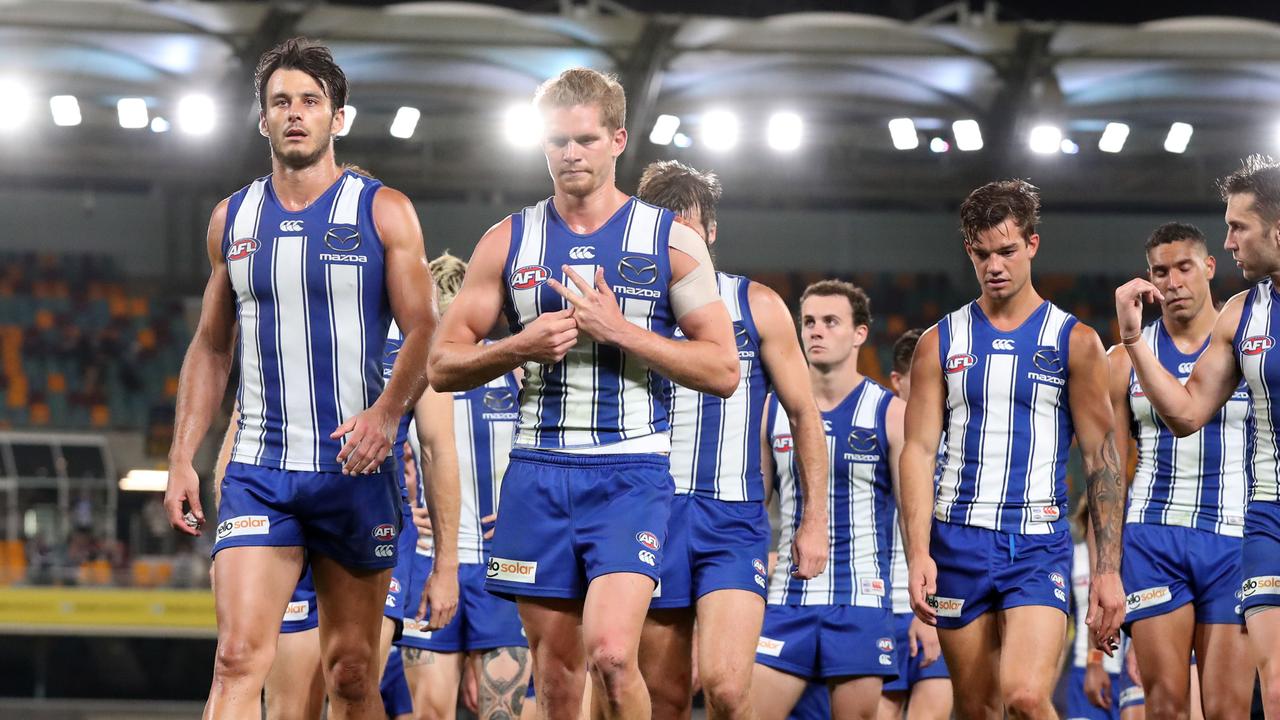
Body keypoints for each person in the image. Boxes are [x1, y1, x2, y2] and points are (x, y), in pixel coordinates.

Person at [426, 68, 738, 720]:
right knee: (557, 679)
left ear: (618, 139)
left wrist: (620, 331)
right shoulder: (508, 240)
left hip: (629, 475)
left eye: (586, 139)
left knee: (613, 653)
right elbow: (441, 365)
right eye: (557, 141)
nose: (571, 153)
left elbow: (723, 369)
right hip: (537, 474)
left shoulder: (669, 241)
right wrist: (519, 345)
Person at [163, 38, 437, 719]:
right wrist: (181, 459)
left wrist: (386, 415)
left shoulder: (384, 211)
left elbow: (429, 331)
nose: (295, 114)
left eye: (310, 102)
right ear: (262, 120)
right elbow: (210, 348)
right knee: (235, 658)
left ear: (337, 118)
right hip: (262, 469)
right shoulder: (233, 219)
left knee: (350, 673)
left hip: (353, 472)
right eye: (280, 102)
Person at [900, 179, 1126, 719]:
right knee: (978, 708)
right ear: (968, 253)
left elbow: (1102, 461)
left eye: (1006, 251)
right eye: (982, 254)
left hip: (1036, 546)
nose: (994, 265)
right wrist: (917, 554)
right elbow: (917, 451)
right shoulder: (939, 342)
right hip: (957, 542)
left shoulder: (1074, 341)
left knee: (1025, 695)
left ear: (1032, 245)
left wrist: (1107, 570)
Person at [633, 160, 828, 720]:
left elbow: (804, 416)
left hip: (733, 521)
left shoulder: (756, 305)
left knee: (723, 686)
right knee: (662, 696)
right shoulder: (630, 310)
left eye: (688, 228)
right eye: (664, 229)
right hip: (650, 512)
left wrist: (811, 521)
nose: (677, 242)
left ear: (711, 232)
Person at [1114, 155, 1280, 717]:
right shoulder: (1241, 316)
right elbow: (1182, 417)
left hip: (1232, 532)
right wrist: (1134, 342)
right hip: (1231, 524)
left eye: (1239, 227)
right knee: (1195, 700)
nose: (1231, 241)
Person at [752, 280, 902, 719]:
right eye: (809, 322)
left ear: (860, 333)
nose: (816, 331)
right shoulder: (772, 410)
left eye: (831, 322)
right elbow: (755, 504)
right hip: (787, 600)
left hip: (861, 600)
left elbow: (915, 516)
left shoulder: (889, 412)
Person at [401, 252, 531, 720]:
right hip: (430, 560)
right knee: (429, 713)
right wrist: (403, 505)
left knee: (503, 714)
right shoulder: (409, 373)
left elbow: (545, 450)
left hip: (503, 565)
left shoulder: (515, 371)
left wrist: (526, 517)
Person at [879, 329, 952, 720]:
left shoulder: (958, 445)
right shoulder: (872, 435)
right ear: (897, 382)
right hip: (879, 603)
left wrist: (933, 610)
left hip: (940, 601)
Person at [1067, 501, 1141, 720]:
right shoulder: (1074, 556)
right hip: (1086, 669)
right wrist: (1094, 662)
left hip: (1130, 671)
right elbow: (1073, 621)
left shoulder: (1137, 555)